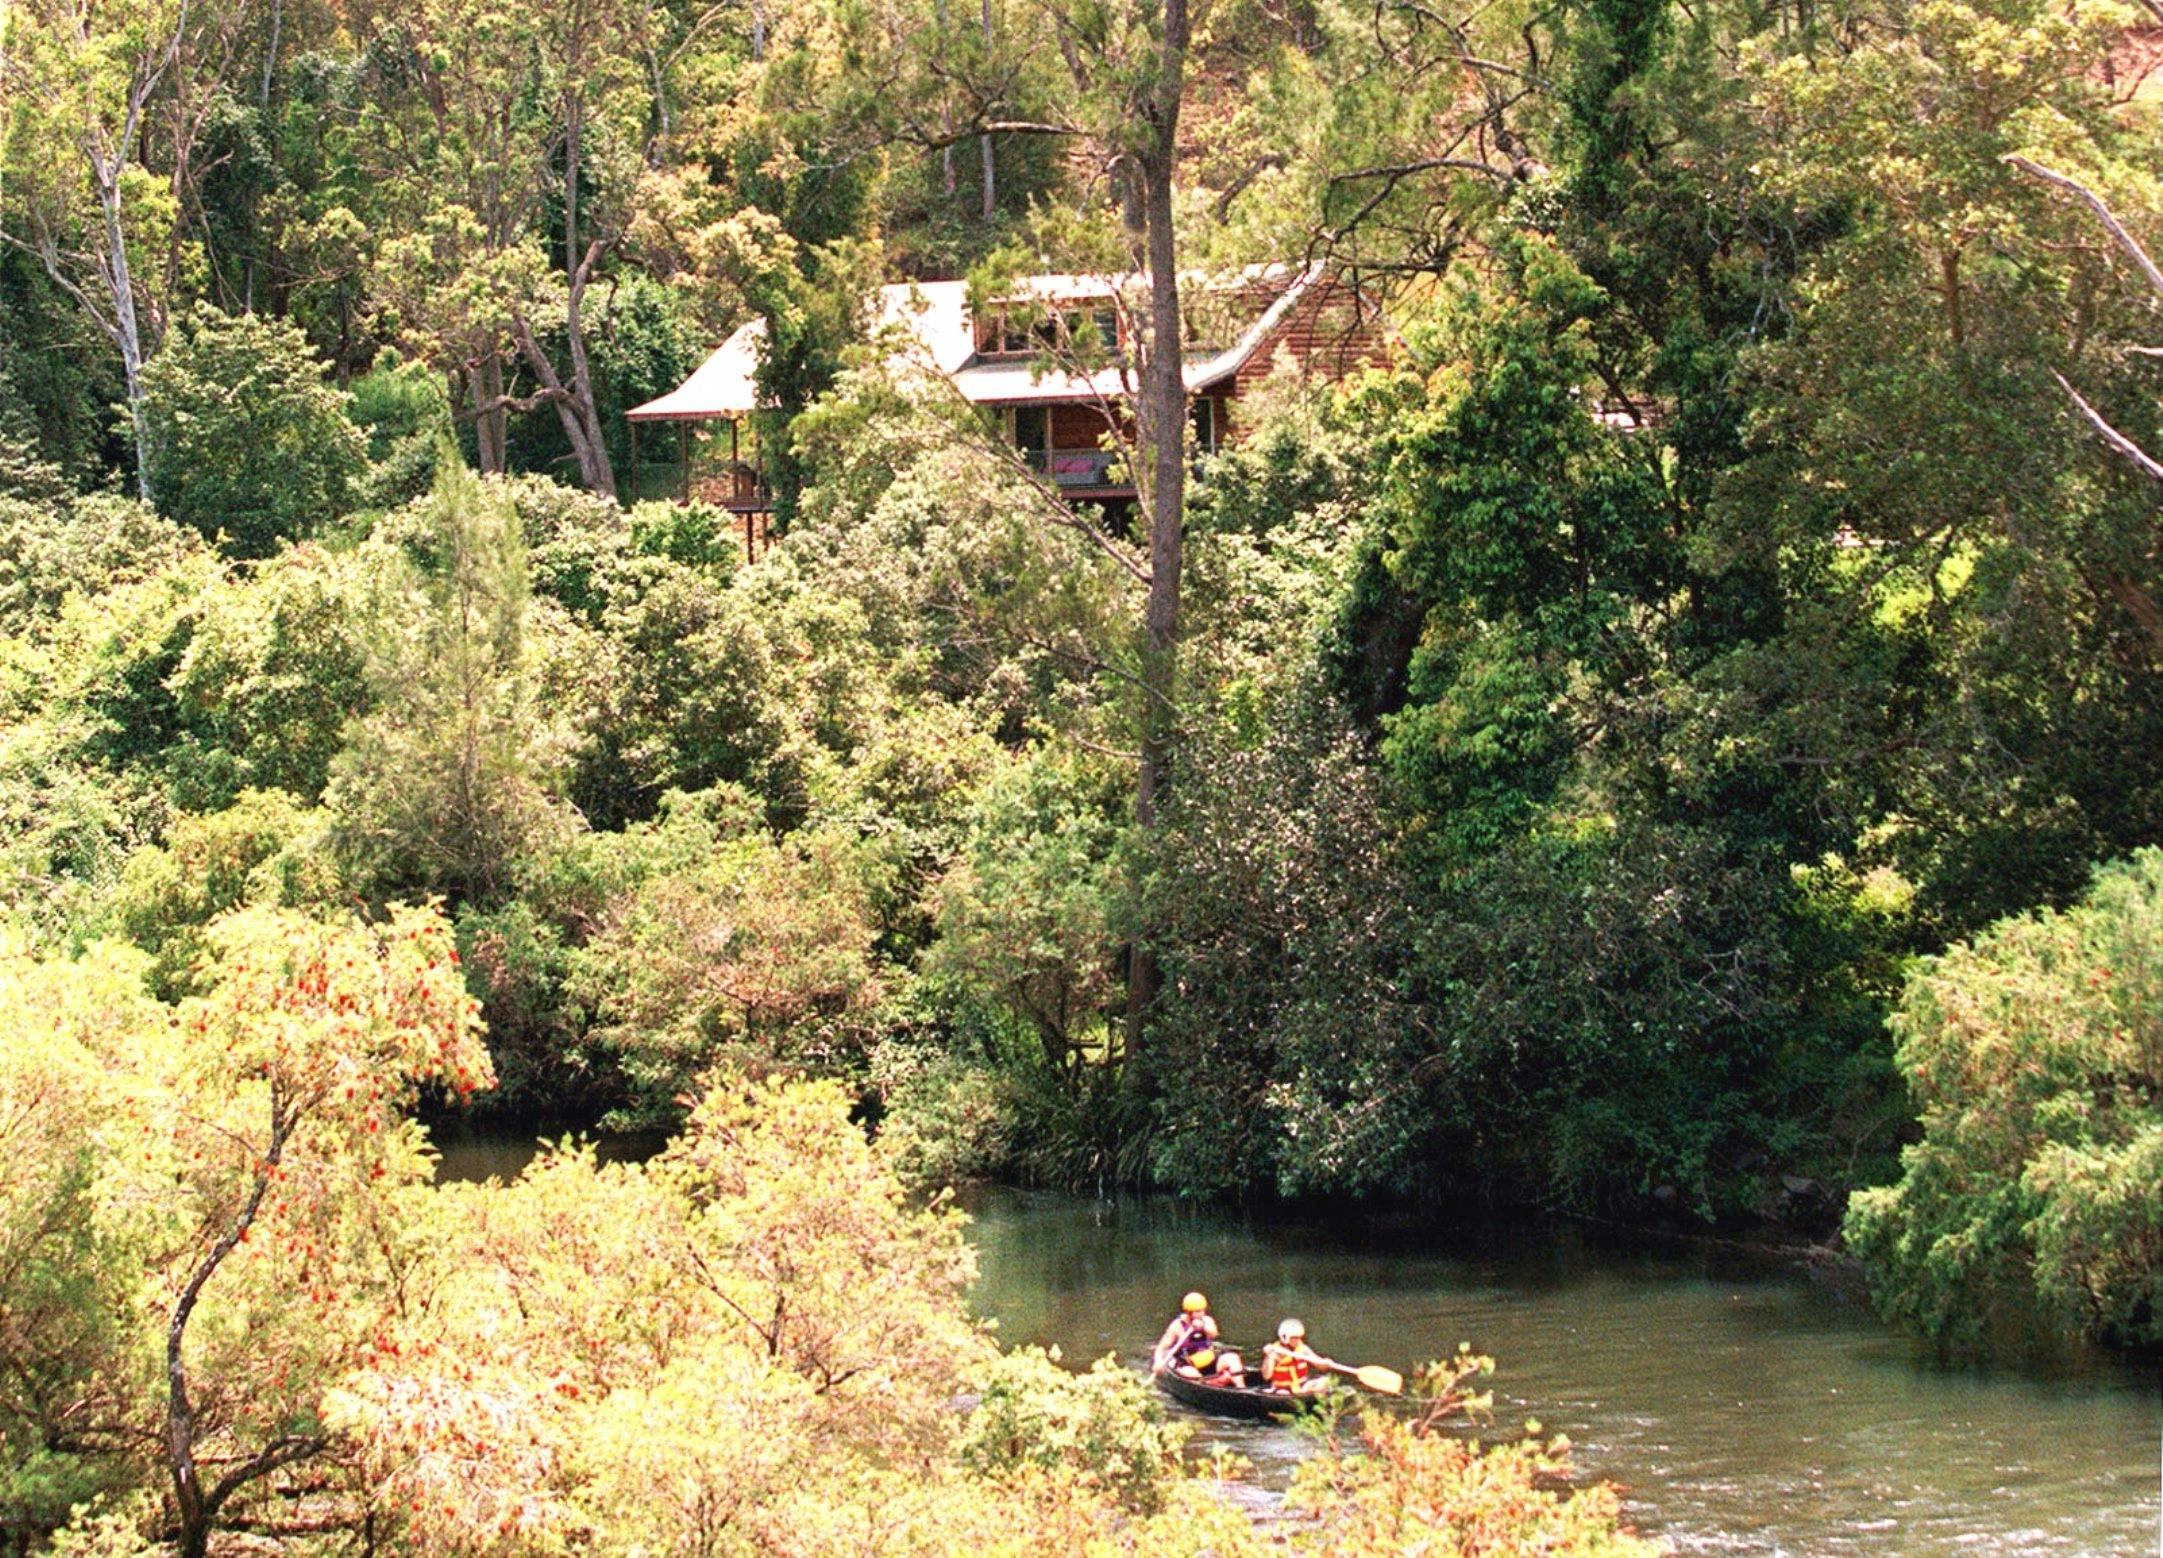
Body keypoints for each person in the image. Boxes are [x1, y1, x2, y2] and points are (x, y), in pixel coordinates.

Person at [1260, 1317, 1336, 1395]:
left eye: (1298, 1337)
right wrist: (1269, 1356)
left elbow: (1319, 1364)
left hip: (1302, 1387)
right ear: (1284, 1337)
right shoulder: (1274, 1351)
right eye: (1294, 1338)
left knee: (1325, 1381)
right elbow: (1266, 1376)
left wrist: (1326, 1363)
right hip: (1282, 1389)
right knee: (1283, 1393)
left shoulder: (1303, 1349)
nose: (1297, 1340)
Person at [1151, 1291, 1219, 1373]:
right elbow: (1161, 1348)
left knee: (1232, 1358)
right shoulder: (1177, 1326)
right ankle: (1200, 1384)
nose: (1202, 1314)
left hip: (1207, 1359)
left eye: (1203, 1310)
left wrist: (1203, 1327)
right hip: (1187, 1364)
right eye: (1197, 1311)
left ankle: (1238, 1384)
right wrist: (1158, 1362)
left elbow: (1213, 1333)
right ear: (1188, 1312)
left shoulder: (1207, 1320)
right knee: (1192, 1374)